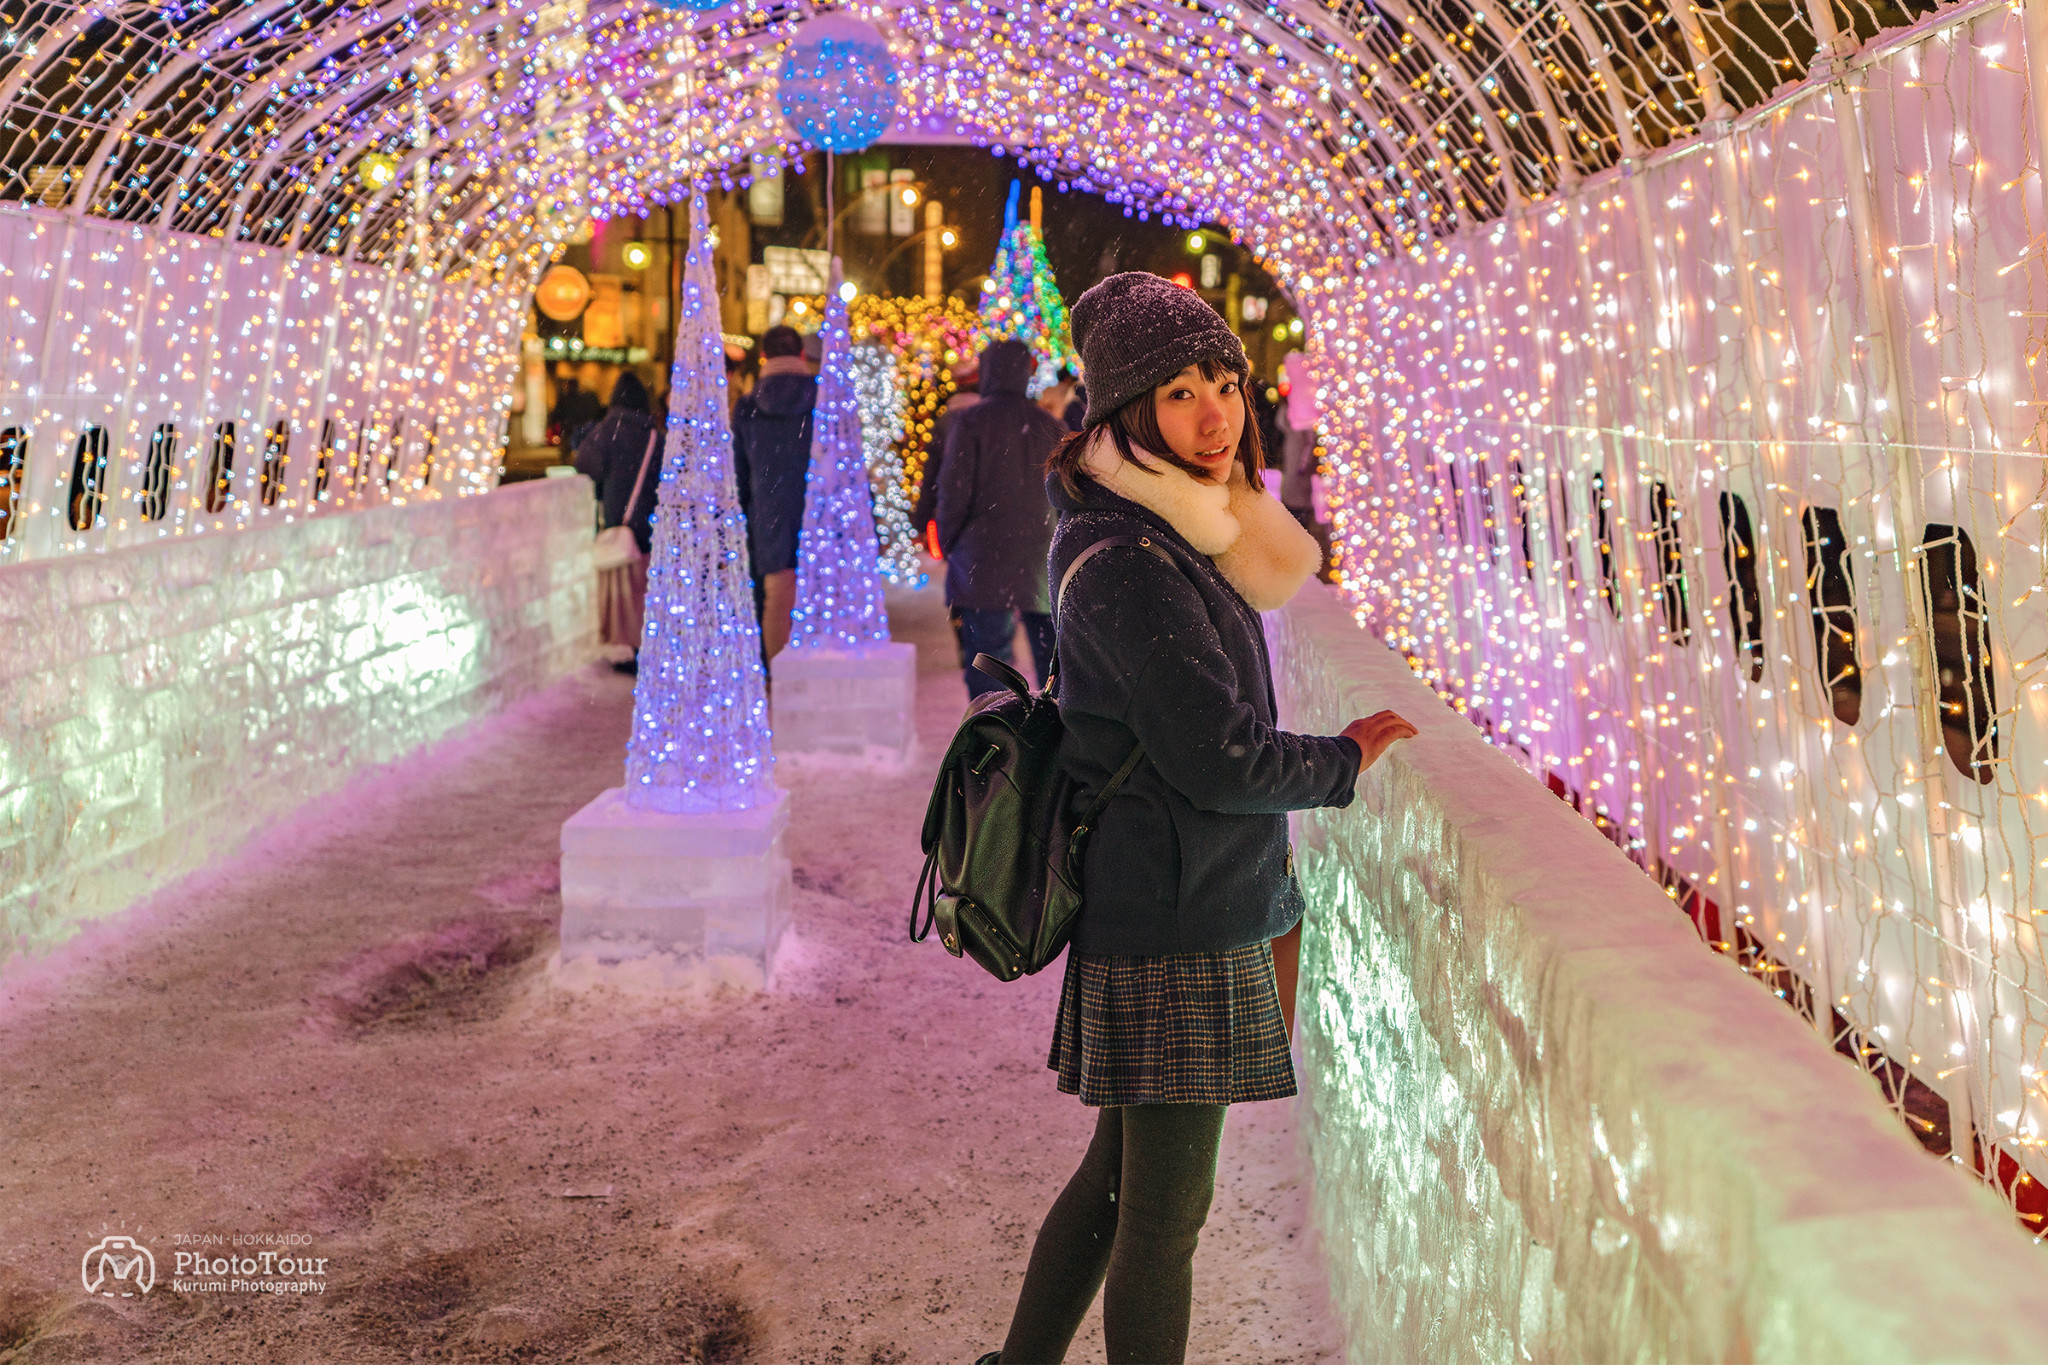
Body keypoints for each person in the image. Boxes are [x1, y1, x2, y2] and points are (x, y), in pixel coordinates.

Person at [977, 273, 1416, 1365]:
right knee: (1161, 1219)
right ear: (1127, 413)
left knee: (1115, 1180)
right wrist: (1341, 757)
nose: (1213, 413)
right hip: (1175, 915)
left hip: (1165, 894)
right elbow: (1214, 755)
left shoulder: (1157, 533)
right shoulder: (1130, 560)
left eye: (1223, 382)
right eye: (1177, 393)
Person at [934, 338, 1064, 696]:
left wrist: (950, 543)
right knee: (1052, 672)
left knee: (989, 672)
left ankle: (993, 742)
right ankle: (1050, 744)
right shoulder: (1049, 426)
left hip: (982, 561)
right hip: (1039, 563)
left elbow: (953, 492)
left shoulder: (971, 422)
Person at [731, 325, 816, 660]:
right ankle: (812, 678)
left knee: (776, 601)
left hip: (769, 516)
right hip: (818, 515)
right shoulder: (824, 398)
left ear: (764, 356)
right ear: (801, 355)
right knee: (817, 603)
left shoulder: (748, 407)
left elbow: (739, 474)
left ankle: (780, 680)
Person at [573, 372, 662, 669]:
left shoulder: (605, 432)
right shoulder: (654, 435)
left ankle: (628, 647)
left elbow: (586, 466)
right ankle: (648, 644)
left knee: (622, 592)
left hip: (618, 520)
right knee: (646, 588)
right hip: (648, 524)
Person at [913, 354, 981, 535]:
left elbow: (931, 478)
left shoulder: (945, 422)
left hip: (957, 522)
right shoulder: (994, 421)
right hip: (989, 518)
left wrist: (921, 522)